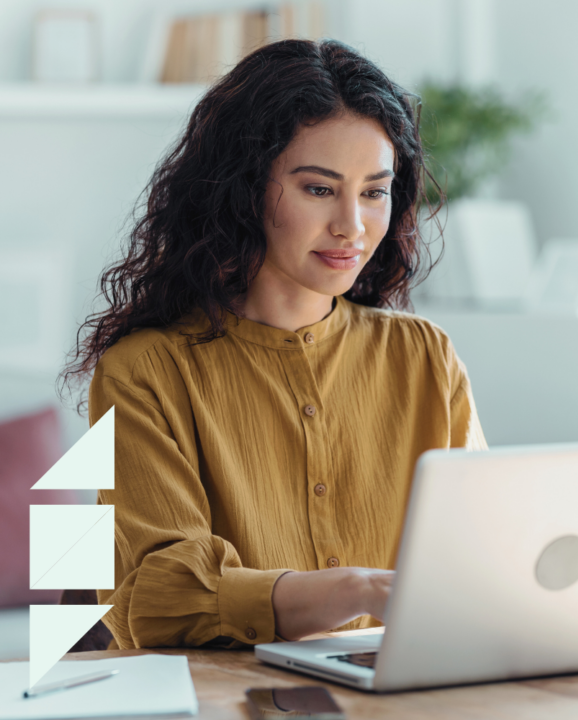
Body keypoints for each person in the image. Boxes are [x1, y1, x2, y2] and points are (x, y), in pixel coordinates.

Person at [60, 38, 487, 650]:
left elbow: (481, 555)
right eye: (319, 189)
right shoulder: (146, 371)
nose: (352, 226)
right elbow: (158, 597)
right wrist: (355, 591)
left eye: (374, 191)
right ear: (245, 189)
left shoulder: (424, 355)